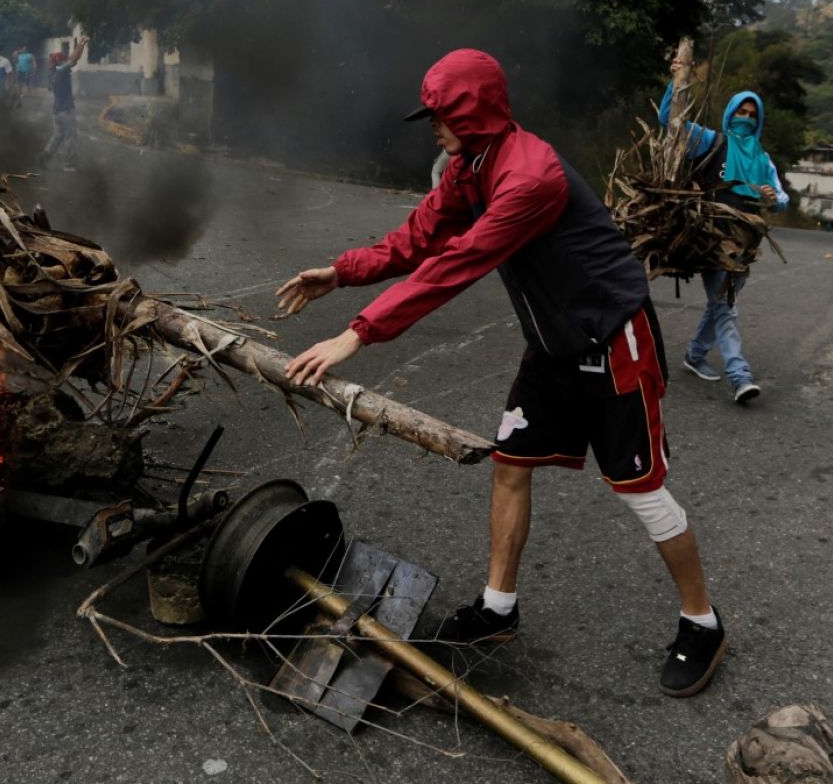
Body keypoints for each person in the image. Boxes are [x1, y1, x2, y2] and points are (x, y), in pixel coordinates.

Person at [277, 48, 728, 699]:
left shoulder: (530, 178)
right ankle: (497, 609)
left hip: (612, 341)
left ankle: (702, 621)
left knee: (638, 489)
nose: (433, 128)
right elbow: (419, 237)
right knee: (511, 464)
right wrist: (342, 272)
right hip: (552, 348)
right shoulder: (472, 166)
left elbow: (455, 264)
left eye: (440, 116)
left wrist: (358, 334)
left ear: (474, 112)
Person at [658, 44, 790, 405]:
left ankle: (695, 353)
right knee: (726, 306)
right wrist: (676, 81)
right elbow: (670, 121)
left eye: (752, 113)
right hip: (710, 236)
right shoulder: (709, 140)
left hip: (745, 241)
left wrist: (770, 198)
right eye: (740, 111)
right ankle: (739, 374)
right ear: (730, 113)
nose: (745, 117)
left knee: (720, 303)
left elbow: (781, 198)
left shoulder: (763, 159)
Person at [42, 37, 87, 170]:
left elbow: (73, 59)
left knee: (58, 136)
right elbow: (73, 59)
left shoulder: (53, 73)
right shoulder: (61, 71)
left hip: (57, 111)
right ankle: (69, 165)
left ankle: (45, 156)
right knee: (70, 137)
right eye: (64, 59)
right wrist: (82, 44)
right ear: (60, 62)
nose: (67, 61)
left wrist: (79, 46)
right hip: (66, 110)